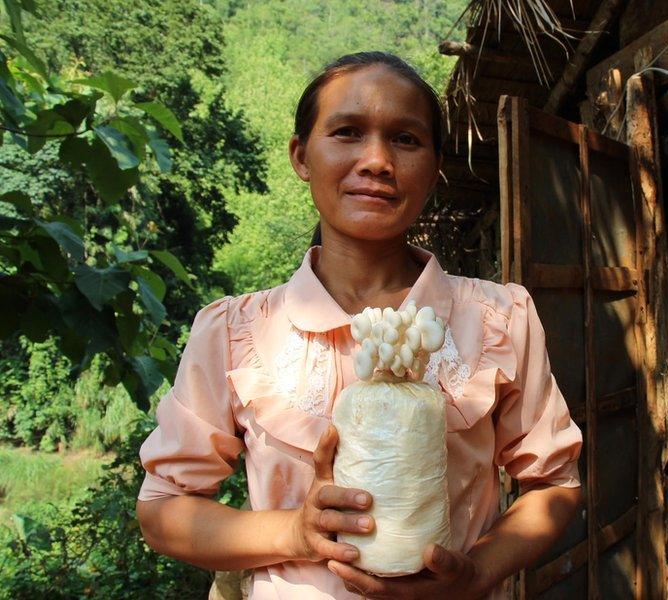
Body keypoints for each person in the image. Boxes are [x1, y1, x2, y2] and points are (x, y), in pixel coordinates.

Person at [135, 51, 583, 599]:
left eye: (406, 139)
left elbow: (554, 486)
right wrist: (295, 531)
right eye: (346, 132)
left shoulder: (499, 320)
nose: (376, 160)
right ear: (301, 156)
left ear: (435, 166)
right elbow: (164, 509)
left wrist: (476, 574)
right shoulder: (233, 332)